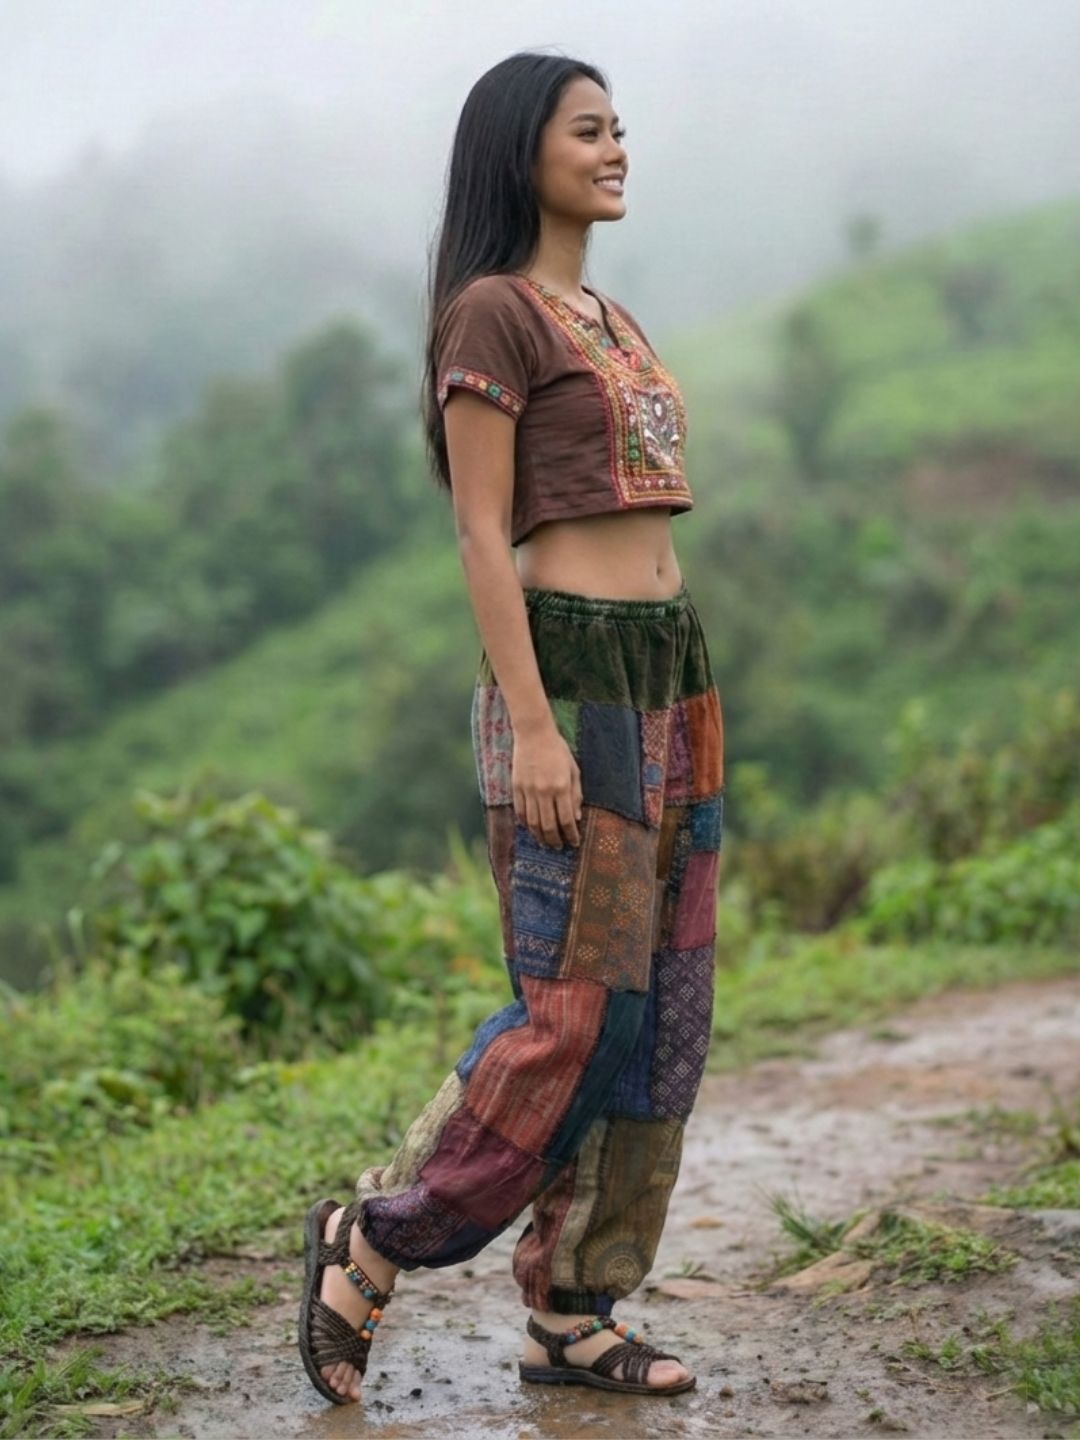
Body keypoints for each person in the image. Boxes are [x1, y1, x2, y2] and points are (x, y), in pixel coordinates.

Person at [298, 49, 724, 1406]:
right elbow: (481, 534)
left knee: (662, 1019)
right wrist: (535, 727)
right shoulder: (492, 313)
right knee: (578, 1009)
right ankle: (380, 1232)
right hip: (570, 679)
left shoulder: (611, 316)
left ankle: (575, 1313)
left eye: (619, 128)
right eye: (587, 130)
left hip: (669, 674)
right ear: (519, 151)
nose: (616, 149)